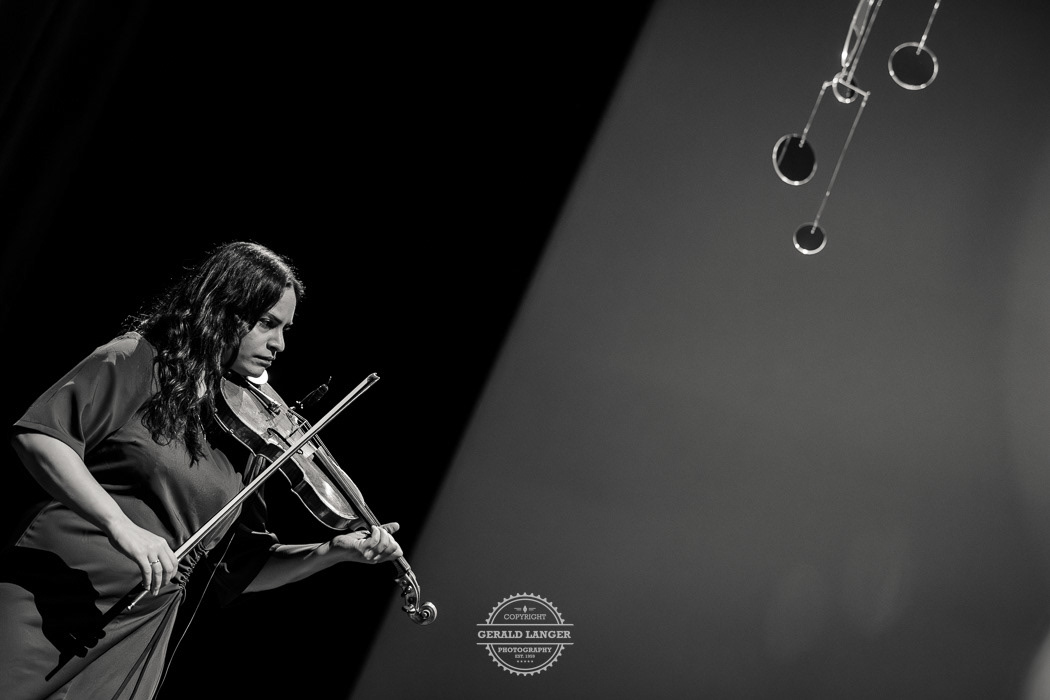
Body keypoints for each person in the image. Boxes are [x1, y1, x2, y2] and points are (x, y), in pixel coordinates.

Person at [0, 241, 403, 699]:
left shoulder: (249, 436)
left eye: (286, 329)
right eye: (267, 323)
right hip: (56, 590)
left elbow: (239, 567)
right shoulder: (140, 358)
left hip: (139, 623)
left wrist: (330, 551)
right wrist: (120, 525)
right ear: (224, 310)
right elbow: (41, 436)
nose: (279, 344)